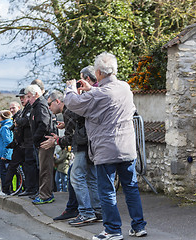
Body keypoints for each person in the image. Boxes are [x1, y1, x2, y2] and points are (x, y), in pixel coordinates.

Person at [64, 52, 147, 240]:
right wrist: (91, 88)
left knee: (107, 191)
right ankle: (138, 226)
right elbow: (105, 95)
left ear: (99, 72)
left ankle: (112, 230)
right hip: (127, 148)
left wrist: (70, 88)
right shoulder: (125, 88)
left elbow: (72, 103)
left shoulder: (98, 94)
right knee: (131, 187)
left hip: (106, 149)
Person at [41, 89, 102, 224]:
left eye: (49, 104)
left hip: (82, 147)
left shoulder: (68, 111)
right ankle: (98, 210)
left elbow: (70, 138)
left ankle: (86, 212)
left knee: (75, 177)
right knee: (91, 178)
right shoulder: (72, 109)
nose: (49, 108)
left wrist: (56, 141)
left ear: (58, 101)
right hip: (91, 145)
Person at [25, 84, 56, 204]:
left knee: (45, 169)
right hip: (41, 141)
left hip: (45, 142)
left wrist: (36, 139)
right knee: (42, 168)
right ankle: (44, 191)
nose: (27, 100)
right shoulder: (37, 105)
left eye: (29, 96)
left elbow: (44, 123)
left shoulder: (41, 105)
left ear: (36, 95)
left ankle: (46, 195)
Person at [15, 88, 39, 196]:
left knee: (31, 166)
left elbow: (27, 121)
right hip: (25, 143)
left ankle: (32, 189)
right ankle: (28, 187)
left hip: (30, 142)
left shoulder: (31, 108)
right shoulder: (25, 109)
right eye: (20, 97)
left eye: (23, 97)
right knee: (27, 166)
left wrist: (18, 121)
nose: (21, 99)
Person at [0, 110, 13, 194]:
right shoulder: (9, 125)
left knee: (4, 174)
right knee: (5, 173)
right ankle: (6, 190)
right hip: (5, 154)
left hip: (4, 155)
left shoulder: (5, 128)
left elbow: (7, 142)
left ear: (1, 117)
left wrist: (5, 154)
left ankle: (5, 191)